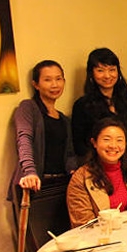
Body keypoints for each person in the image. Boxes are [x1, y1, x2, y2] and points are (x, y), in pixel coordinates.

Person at [11, 60, 78, 194]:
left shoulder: (64, 119)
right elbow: (24, 140)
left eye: (58, 79)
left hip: (61, 184)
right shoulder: (28, 107)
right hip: (34, 184)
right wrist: (30, 172)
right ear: (36, 85)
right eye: (47, 80)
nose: (55, 84)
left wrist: (74, 171)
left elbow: (69, 153)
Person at [67, 118, 127, 227]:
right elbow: (83, 225)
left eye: (119, 140)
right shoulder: (81, 178)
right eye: (107, 139)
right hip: (101, 236)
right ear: (94, 143)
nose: (113, 145)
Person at [71, 48, 127, 159]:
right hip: (96, 164)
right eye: (100, 70)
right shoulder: (82, 105)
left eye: (112, 70)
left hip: (126, 162)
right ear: (91, 73)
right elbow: (79, 145)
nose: (107, 76)